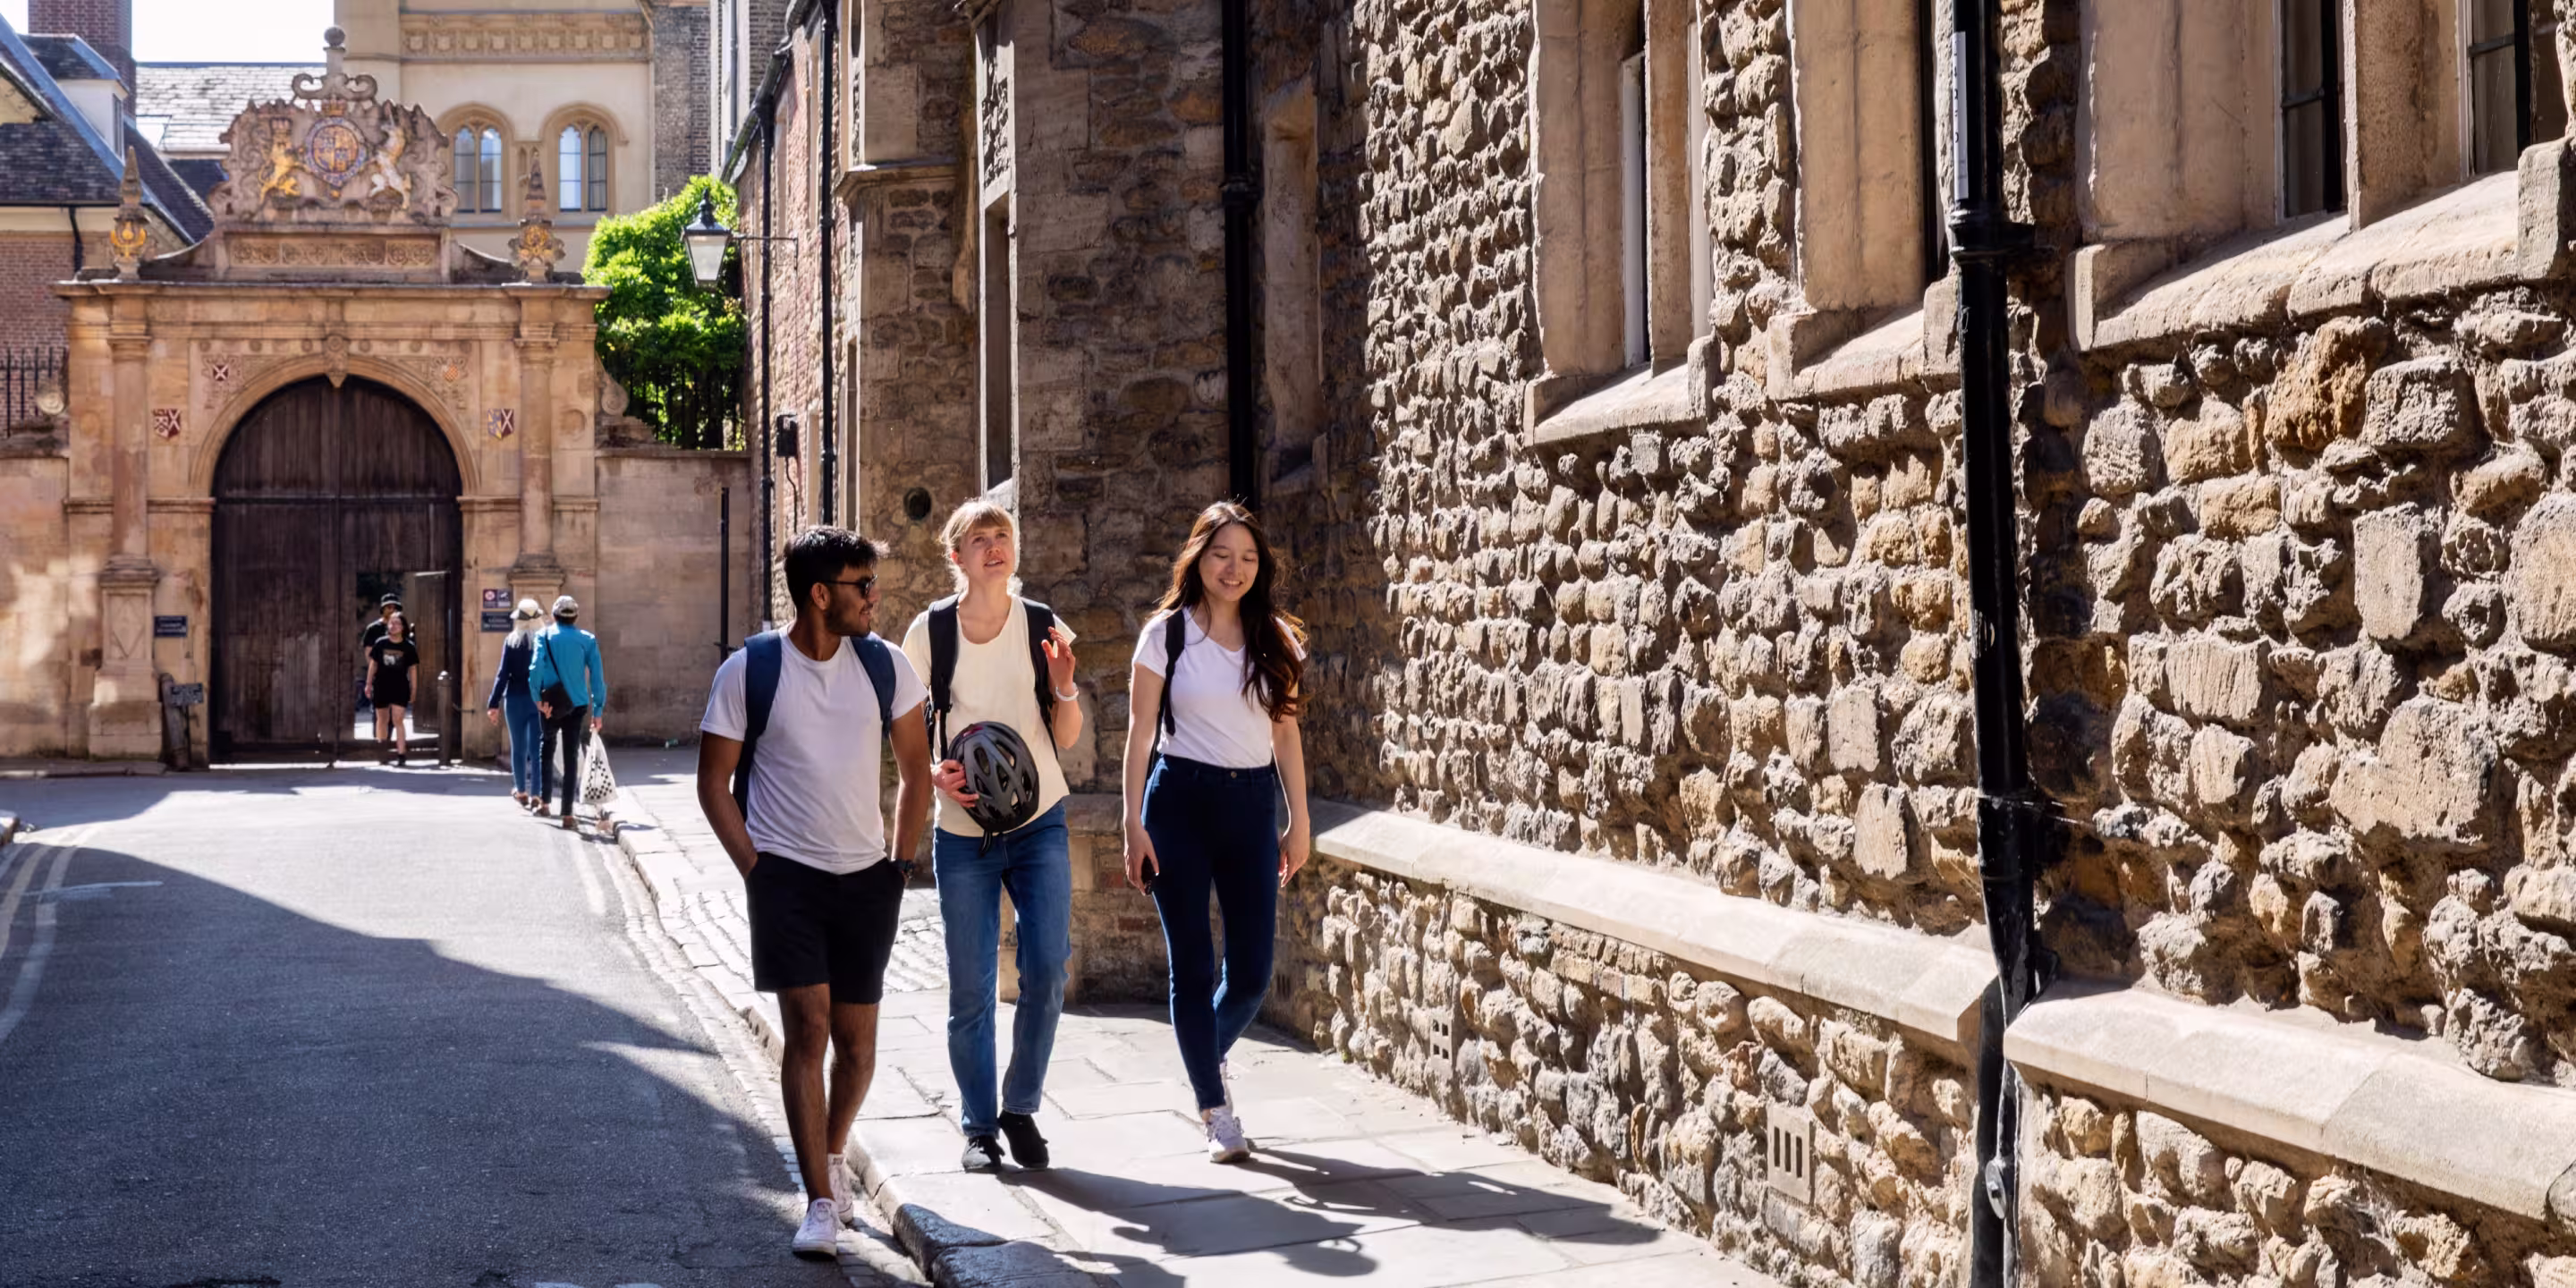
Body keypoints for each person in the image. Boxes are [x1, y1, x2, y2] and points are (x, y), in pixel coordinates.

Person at [695, 526, 933, 1259]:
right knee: (809, 1029)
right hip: (786, 876)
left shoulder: (886, 666)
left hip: (868, 878)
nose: (875, 598)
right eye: (863, 586)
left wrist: (899, 865)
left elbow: (918, 772)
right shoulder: (750, 671)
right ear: (820, 595)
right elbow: (713, 785)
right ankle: (821, 1202)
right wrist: (757, 872)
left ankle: (830, 1154)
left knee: (858, 1049)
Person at [1121, 501, 1312, 1164]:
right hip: (1178, 801)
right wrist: (1132, 824)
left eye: (1249, 557)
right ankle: (1214, 1109)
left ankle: (1204, 1057)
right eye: (1222, 555)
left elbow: (1285, 734)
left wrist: (1299, 822)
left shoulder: (1278, 640)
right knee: (1194, 967)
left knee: (1253, 971)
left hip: (1253, 805)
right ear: (1198, 558)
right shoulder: (1165, 636)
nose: (1235, 569)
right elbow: (1140, 737)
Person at [899, 501, 1083, 1173]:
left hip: (1041, 826)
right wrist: (931, 773)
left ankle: (1020, 1107)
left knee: (1047, 968)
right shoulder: (930, 633)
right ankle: (978, 1128)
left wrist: (1064, 688)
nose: (994, 547)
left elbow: (1065, 740)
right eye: (979, 539)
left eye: (1002, 535)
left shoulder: (1042, 626)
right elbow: (901, 722)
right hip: (962, 834)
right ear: (957, 558)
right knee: (971, 988)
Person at [530, 594, 606, 832]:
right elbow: (597, 678)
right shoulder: (588, 640)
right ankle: (568, 814)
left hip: (550, 702)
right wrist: (599, 709)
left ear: (554, 616)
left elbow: (535, 668)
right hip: (578, 703)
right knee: (572, 754)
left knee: (547, 746)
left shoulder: (544, 635)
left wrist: (537, 699)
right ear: (576, 617)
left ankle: (544, 802)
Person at [486, 598, 547, 809]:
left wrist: (492, 704)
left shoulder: (511, 641)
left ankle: (521, 790)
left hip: (514, 699)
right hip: (538, 699)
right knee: (537, 748)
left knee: (518, 747)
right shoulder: (545, 640)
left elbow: (502, 675)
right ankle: (537, 793)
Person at [366, 611, 420, 766]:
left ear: (403, 627)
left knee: (398, 719)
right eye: (391, 623)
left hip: (400, 686)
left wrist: (414, 689)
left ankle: (401, 754)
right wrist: (368, 684)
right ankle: (382, 753)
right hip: (381, 685)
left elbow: (413, 669)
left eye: (397, 623)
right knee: (382, 719)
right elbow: (373, 664)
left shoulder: (409, 647)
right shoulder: (380, 643)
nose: (393, 626)